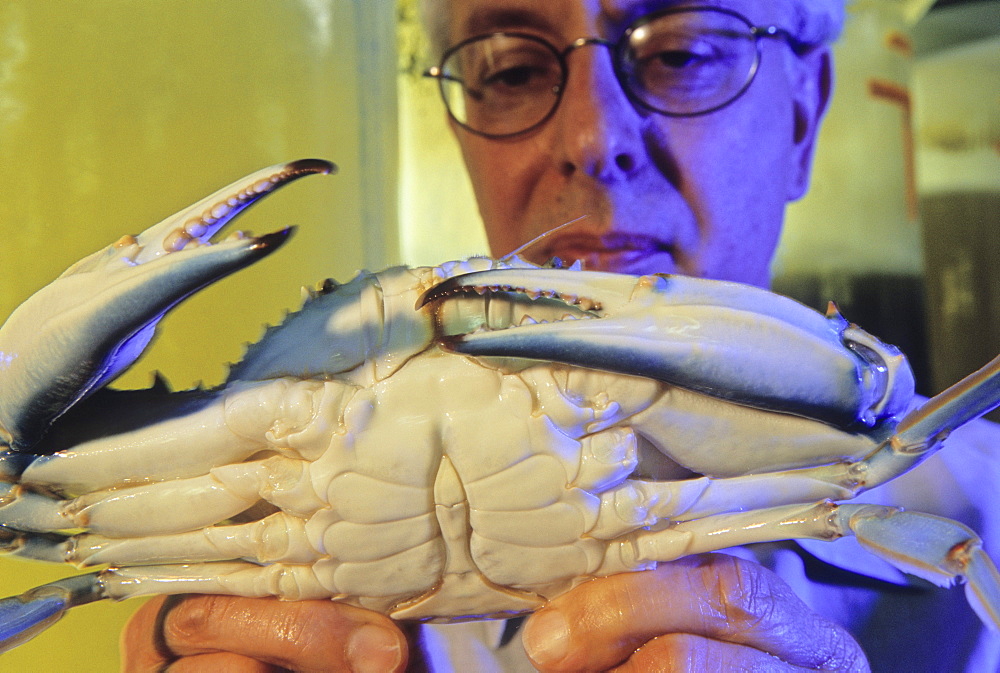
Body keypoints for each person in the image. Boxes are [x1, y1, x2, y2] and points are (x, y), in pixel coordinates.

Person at [121, 0, 1000, 671]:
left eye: (684, 53)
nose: (592, 137)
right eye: (508, 70)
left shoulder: (986, 514)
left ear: (803, 118)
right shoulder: (258, 531)